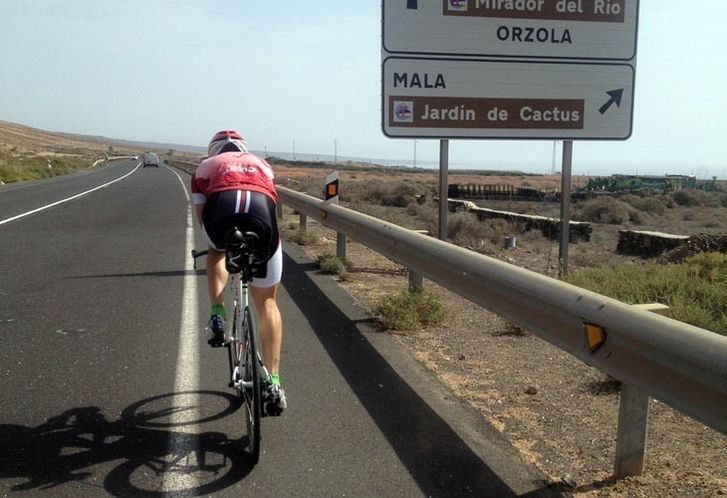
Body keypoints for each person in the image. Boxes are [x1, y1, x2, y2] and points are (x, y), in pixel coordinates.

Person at [191, 130, 286, 415]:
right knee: (268, 302)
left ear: (214, 150)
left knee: (216, 250)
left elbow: (201, 219)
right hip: (261, 217)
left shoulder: (205, 167)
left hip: (221, 211)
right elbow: (271, 205)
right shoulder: (262, 164)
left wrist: (220, 245)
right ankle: (273, 382)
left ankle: (218, 313)